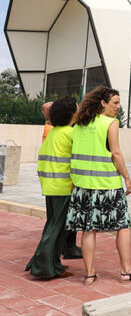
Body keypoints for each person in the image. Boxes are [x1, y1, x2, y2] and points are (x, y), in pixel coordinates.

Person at [65, 86, 131, 285]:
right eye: (115, 103)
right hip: (107, 185)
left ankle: (89, 274)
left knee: (88, 229)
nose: (118, 107)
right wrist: (127, 178)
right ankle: (126, 271)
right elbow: (116, 154)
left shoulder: (79, 124)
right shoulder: (110, 123)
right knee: (123, 226)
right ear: (103, 103)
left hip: (82, 185)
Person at [26, 96, 80, 279]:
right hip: (64, 188)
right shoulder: (71, 134)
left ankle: (52, 264)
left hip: (51, 187)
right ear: (71, 112)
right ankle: (43, 266)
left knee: (54, 226)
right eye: (77, 108)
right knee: (57, 228)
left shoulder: (53, 132)